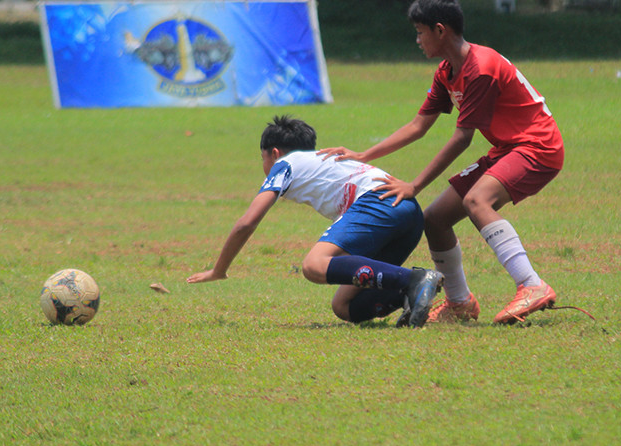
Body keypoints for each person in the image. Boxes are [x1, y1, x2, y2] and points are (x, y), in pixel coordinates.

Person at [319, 0, 564, 326]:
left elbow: (462, 139)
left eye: (420, 32)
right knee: (434, 219)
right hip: (507, 149)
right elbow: (419, 125)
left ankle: (532, 284)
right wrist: (364, 154)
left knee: (477, 201)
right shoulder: (448, 71)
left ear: (440, 30)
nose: (417, 40)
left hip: (537, 147)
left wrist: (415, 185)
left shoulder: (482, 68)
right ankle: (460, 303)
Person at [186, 115, 443, 328]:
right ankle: (410, 294)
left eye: (262, 158)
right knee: (343, 307)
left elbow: (246, 223)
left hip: (378, 202)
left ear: (274, 153)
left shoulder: (285, 163)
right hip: (408, 213)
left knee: (314, 265)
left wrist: (218, 270)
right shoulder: (321, 159)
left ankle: (413, 280)